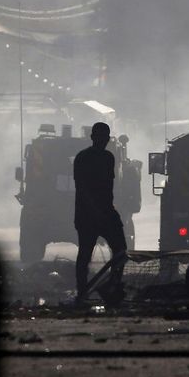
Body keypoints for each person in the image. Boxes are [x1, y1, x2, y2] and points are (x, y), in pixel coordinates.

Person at [73, 122, 127, 305]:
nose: (103, 141)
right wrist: (96, 211)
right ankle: (82, 292)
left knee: (120, 250)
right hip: (88, 214)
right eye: (100, 137)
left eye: (106, 138)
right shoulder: (83, 158)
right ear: (93, 137)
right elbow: (82, 189)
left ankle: (113, 286)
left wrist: (109, 211)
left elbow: (109, 188)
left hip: (103, 212)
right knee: (85, 254)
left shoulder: (108, 158)